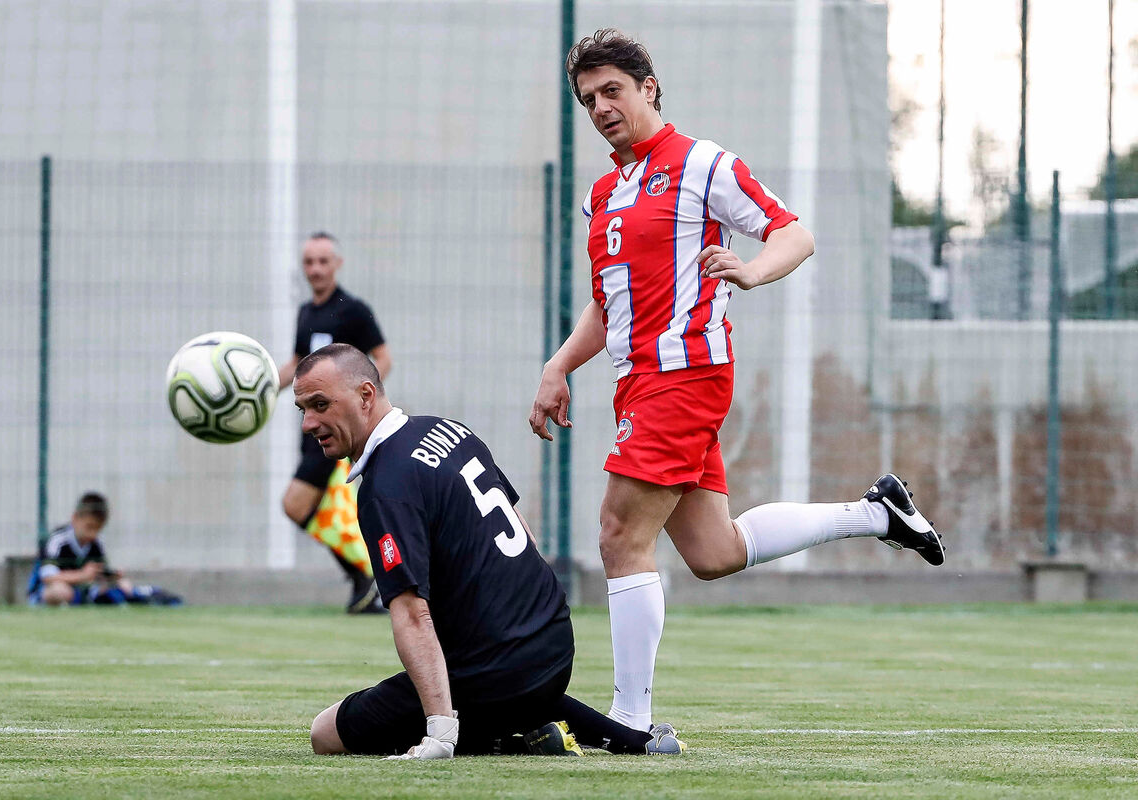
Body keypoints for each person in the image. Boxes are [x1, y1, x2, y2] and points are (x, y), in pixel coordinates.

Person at [528, 29, 946, 734]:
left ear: (649, 88)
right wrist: (559, 365)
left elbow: (793, 234)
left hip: (685, 375)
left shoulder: (703, 165)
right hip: (639, 383)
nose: (600, 108)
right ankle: (879, 514)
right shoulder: (603, 193)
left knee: (619, 535)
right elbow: (608, 301)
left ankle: (632, 721)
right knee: (713, 553)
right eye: (588, 99)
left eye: (612, 91)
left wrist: (751, 271)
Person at [297, 344, 684, 758]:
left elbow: (411, 613)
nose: (308, 423)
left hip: (498, 671)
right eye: (302, 409)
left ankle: (510, 740)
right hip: (553, 643)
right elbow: (524, 532)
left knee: (325, 733)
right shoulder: (449, 429)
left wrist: (440, 732)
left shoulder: (386, 488)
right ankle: (630, 739)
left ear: (366, 395)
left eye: (320, 405)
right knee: (502, 678)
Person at [276, 231, 394, 614]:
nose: (315, 269)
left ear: (337, 264)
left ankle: (367, 574)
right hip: (312, 430)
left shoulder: (353, 310)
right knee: (329, 512)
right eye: (309, 262)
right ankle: (366, 579)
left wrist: (358, 406)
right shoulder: (305, 313)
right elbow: (297, 365)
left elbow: (383, 358)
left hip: (338, 433)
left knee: (295, 505)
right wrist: (259, 388)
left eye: (323, 261)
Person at [27, 492, 180, 606]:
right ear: (75, 518)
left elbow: (98, 575)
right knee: (60, 591)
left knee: (119, 588)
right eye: (89, 527)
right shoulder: (57, 540)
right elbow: (48, 577)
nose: (93, 534)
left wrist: (113, 578)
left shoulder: (96, 543)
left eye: (98, 529)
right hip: (47, 591)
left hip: (82, 591)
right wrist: (82, 575)